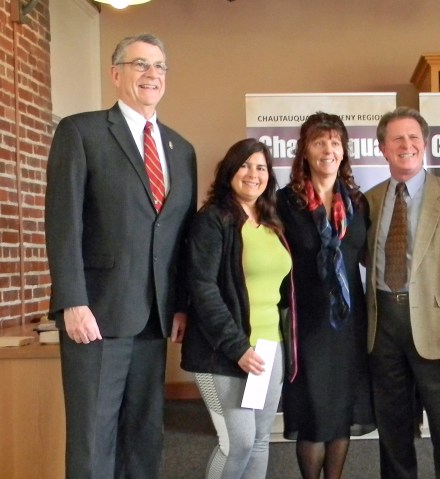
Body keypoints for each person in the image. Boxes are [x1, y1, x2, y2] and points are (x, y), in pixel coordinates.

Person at [45, 33, 197, 478]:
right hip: (96, 315)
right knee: (94, 439)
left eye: (159, 66)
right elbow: (63, 222)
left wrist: (182, 304)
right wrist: (72, 300)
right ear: (116, 74)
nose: (152, 75)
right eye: (140, 65)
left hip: (155, 319)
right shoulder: (82, 132)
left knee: (144, 436)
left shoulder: (181, 149)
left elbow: (180, 234)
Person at [365, 106, 440, 479]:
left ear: (425, 144)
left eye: (414, 137)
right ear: (382, 147)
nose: (407, 145)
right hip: (383, 326)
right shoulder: (369, 201)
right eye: (397, 138)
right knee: (393, 430)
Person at [181, 138, 294, 479]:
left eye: (261, 167)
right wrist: (237, 347)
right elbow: (203, 289)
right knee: (238, 442)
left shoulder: (272, 220)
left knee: (260, 440)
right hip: (224, 351)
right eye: (244, 165)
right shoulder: (213, 220)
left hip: (268, 346)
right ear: (230, 170)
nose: (252, 174)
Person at [276, 112, 375, 479]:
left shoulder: (357, 203)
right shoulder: (284, 203)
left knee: (340, 413)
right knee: (314, 412)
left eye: (335, 142)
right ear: (304, 151)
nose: (327, 149)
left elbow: (365, 257)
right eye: (319, 142)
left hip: (349, 323)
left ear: (344, 151)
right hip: (308, 323)